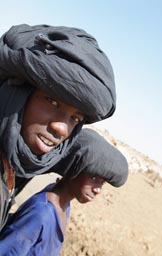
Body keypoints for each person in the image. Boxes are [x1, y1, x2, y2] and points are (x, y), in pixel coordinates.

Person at [0, 24, 116, 230]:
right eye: (53, 102)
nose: (62, 129)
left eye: (76, 119)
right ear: (20, 92)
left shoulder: (9, 169)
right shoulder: (41, 213)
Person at [0, 128, 128, 256]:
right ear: (74, 169)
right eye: (94, 178)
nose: (98, 190)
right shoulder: (41, 213)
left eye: (102, 182)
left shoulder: (63, 206)